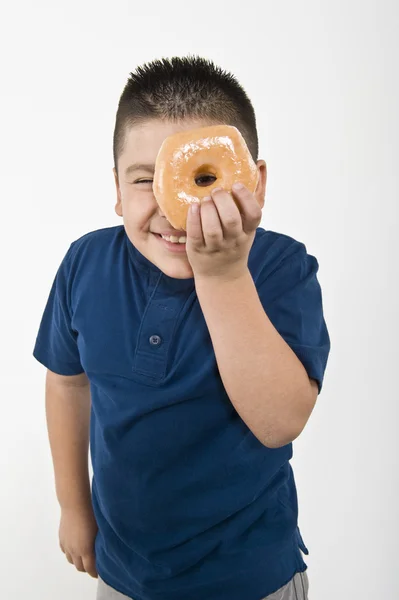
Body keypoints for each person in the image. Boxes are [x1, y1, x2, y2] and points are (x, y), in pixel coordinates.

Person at [33, 56, 331, 600]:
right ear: (118, 190)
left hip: (251, 578)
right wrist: (73, 507)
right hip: (125, 575)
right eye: (146, 180)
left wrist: (223, 274)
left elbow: (280, 422)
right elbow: (67, 383)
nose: (174, 206)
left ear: (254, 185)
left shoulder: (282, 268)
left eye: (201, 179)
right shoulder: (85, 263)